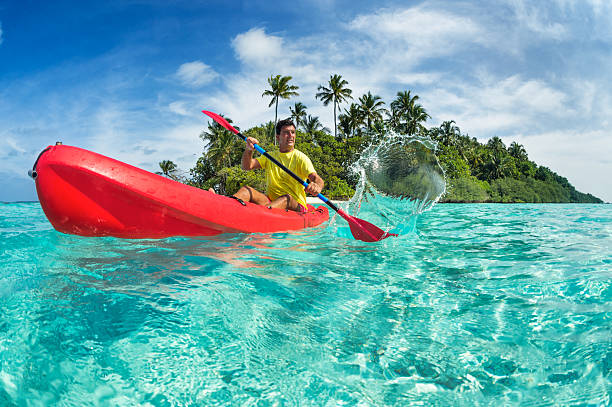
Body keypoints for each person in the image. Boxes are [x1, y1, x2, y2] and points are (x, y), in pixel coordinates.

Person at [232, 118, 324, 212]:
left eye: (293, 132)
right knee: (246, 190)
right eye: (286, 133)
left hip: (295, 205)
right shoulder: (270, 156)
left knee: (286, 199)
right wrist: (249, 150)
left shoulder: (301, 158)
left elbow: (316, 178)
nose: (291, 136)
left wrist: (317, 186)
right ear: (278, 137)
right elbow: (247, 166)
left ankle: (261, 216)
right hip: (271, 202)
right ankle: (226, 211)